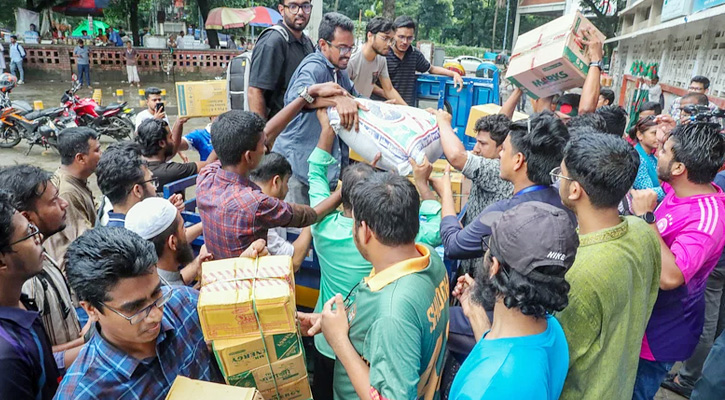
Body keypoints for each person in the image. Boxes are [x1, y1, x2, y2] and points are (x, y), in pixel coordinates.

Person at [307, 109, 443, 398]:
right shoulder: (430, 258)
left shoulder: (392, 313)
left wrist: (338, 340)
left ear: (365, 231)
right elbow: (436, 215)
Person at [553, 133, 661, 400]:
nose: (558, 181)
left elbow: (555, 359)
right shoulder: (642, 229)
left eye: (561, 175)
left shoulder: (579, 272)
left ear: (575, 189)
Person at [55, 227, 221, 398]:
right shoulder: (84, 393)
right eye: (135, 308)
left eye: (157, 293)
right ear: (91, 310)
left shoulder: (185, 303)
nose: (156, 315)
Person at [629, 122, 725, 400]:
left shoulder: (708, 219)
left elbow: (671, 277)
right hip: (644, 320)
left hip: (659, 335)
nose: (659, 152)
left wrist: (647, 218)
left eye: (665, 151)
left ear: (680, 168)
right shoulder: (679, 190)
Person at [448, 201, 578, 399]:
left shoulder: (480, 389)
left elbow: (498, 373)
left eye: (488, 246)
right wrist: (475, 313)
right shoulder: (552, 331)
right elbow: (502, 353)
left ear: (494, 267)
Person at [197, 89, 345, 258]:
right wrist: (344, 190)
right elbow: (309, 215)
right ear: (249, 156)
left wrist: (304, 97)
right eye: (263, 145)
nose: (266, 149)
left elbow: (269, 131)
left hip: (219, 278)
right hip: (250, 280)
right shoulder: (256, 203)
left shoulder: (206, 176)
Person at [437, 111, 574, 260]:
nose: (500, 155)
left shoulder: (503, 214)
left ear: (518, 160)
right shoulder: (566, 203)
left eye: (504, 149)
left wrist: (445, 191)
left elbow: (453, 246)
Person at [271, 12, 366, 205]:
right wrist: (336, 101)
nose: (347, 53)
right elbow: (295, 99)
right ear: (323, 45)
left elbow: (354, 97)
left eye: (350, 48)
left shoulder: (339, 71)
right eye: (342, 48)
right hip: (298, 169)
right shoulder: (314, 67)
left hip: (318, 169)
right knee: (297, 228)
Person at [0, 165, 86, 372]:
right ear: (27, 217)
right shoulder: (23, 280)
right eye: (53, 201)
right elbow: (40, 356)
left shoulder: (40, 257)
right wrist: (89, 341)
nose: (64, 203)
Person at [662, 172, 725, 399]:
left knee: (708, 317)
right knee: (716, 319)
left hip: (714, 262)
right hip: (717, 259)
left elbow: (671, 276)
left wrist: (648, 218)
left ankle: (687, 376)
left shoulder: (718, 187)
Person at [434, 109, 513, 275]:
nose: (476, 149)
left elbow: (456, 156)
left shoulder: (496, 170)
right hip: (472, 262)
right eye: (476, 142)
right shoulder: (490, 161)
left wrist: (443, 122)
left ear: (501, 148)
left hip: (485, 272)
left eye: (482, 144)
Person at [0, 190, 61, 400]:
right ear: (1, 261)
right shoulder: (6, 358)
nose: (39, 237)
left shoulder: (20, 301)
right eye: (29, 234)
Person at [248, 0, 315, 119]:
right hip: (280, 131)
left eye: (305, 6)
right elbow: (255, 92)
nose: (300, 12)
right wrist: (263, 134)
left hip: (301, 127)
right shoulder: (272, 42)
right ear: (282, 10)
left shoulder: (307, 42)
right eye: (293, 6)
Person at [44, 127, 101, 263]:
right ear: (80, 158)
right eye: (97, 150)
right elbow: (85, 241)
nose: (101, 154)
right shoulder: (67, 192)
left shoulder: (77, 179)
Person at [125, 198, 211, 287]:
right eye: (182, 228)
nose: (186, 231)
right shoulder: (178, 296)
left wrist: (197, 265)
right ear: (172, 242)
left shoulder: (137, 278)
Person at [249, 152, 312, 270]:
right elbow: (293, 263)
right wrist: (313, 220)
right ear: (276, 182)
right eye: (287, 182)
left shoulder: (251, 197)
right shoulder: (262, 215)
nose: (288, 188)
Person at [383, 16, 463, 105]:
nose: (405, 42)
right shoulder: (384, 54)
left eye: (409, 38)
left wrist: (453, 74)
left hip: (407, 107)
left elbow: (431, 69)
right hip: (386, 105)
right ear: (393, 35)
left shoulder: (414, 54)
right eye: (401, 37)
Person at [136, 119, 212, 193]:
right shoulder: (172, 171)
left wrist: (179, 122)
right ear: (162, 143)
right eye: (170, 137)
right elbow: (209, 163)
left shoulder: (135, 165)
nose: (173, 140)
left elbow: (172, 150)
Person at [348, 17, 406, 104]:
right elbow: (343, 93)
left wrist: (410, 110)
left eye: (391, 40)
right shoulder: (352, 59)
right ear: (370, 36)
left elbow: (389, 89)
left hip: (365, 107)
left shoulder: (381, 59)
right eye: (385, 38)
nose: (389, 44)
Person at [630, 116, 665, 200]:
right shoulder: (637, 158)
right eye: (654, 133)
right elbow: (648, 192)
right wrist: (672, 190)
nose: (658, 137)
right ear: (639, 135)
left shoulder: (652, 157)